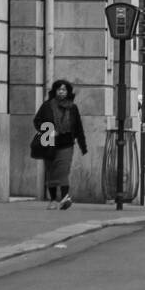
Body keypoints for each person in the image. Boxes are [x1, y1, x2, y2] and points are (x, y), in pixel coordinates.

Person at [34, 79, 88, 210]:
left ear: (68, 92)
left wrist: (83, 145)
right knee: (51, 171)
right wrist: (48, 130)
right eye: (59, 89)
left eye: (64, 90)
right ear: (55, 91)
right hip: (49, 142)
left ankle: (64, 198)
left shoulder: (73, 108)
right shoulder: (47, 106)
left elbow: (78, 127)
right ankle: (53, 200)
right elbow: (37, 121)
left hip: (66, 143)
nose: (61, 92)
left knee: (63, 171)